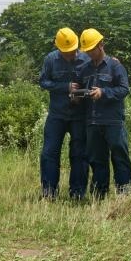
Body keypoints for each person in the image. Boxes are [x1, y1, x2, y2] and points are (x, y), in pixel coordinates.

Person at [38, 27, 90, 200]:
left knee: (80, 154)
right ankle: (49, 193)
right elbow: (43, 82)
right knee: (49, 153)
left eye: (73, 50)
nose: (70, 55)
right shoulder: (50, 59)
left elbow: (95, 78)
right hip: (57, 115)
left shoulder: (87, 58)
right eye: (66, 52)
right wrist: (65, 87)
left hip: (79, 116)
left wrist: (80, 94)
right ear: (58, 48)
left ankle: (77, 193)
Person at [80, 28, 131, 197]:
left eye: (91, 49)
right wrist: (76, 95)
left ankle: (124, 194)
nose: (89, 53)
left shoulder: (115, 66)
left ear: (101, 45)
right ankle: (99, 195)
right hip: (92, 122)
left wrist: (103, 92)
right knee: (97, 160)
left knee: (119, 156)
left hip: (113, 121)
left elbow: (124, 89)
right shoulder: (84, 69)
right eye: (87, 50)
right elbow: (80, 90)